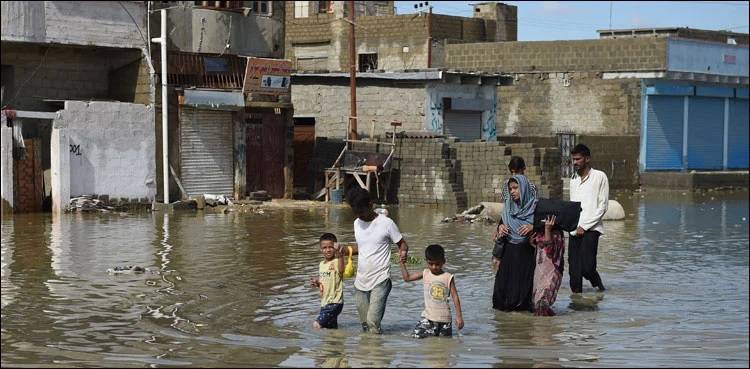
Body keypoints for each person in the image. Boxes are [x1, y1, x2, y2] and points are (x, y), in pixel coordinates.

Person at [346, 187, 409, 334]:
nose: (359, 216)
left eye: (361, 211)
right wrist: (345, 250)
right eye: (355, 212)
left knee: (372, 323)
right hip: (361, 281)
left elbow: (402, 244)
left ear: (370, 205)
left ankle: (377, 355)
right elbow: (364, 247)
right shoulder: (356, 223)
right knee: (364, 325)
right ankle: (366, 355)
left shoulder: (386, 223)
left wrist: (403, 253)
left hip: (381, 280)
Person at [492, 175, 537, 312]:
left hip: (527, 253)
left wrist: (533, 227)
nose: (512, 191)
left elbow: (550, 227)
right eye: (510, 188)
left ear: (523, 188)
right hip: (509, 252)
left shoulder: (535, 207)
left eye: (516, 188)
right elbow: (499, 229)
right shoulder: (508, 207)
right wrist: (501, 228)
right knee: (503, 292)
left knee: (523, 289)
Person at [400, 244, 464, 338]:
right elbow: (407, 278)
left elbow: (455, 297)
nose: (434, 267)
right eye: (431, 264)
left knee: (443, 346)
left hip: (445, 320)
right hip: (428, 318)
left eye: (437, 264)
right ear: (426, 262)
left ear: (444, 261)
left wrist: (459, 317)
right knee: (415, 337)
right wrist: (402, 263)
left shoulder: (448, 277)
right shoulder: (425, 273)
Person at [569, 144, 609, 293]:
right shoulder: (573, 179)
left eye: (578, 159)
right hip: (574, 230)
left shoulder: (600, 176)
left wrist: (584, 226)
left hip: (591, 230)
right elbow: (572, 206)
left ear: (587, 159)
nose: (575, 162)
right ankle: (577, 309)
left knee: (587, 268)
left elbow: (602, 206)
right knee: (574, 276)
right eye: (573, 159)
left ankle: (598, 285)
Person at [493, 156, 537, 271]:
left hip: (525, 233)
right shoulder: (506, 186)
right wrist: (499, 227)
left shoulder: (530, 187)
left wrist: (532, 226)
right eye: (512, 172)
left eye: (517, 171)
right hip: (510, 232)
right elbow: (506, 209)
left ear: (524, 169)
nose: (515, 175)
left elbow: (533, 209)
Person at [530, 215, 565, 316]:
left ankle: (545, 329)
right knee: (537, 304)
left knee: (542, 304)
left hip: (551, 273)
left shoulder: (557, 234)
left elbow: (550, 251)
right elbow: (539, 249)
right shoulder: (538, 232)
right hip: (540, 273)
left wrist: (547, 230)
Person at [310, 233, 345, 329]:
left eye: (330, 247)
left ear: (335, 247)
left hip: (334, 303)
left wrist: (341, 255)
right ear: (320, 249)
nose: (328, 250)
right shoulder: (321, 264)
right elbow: (324, 282)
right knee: (331, 329)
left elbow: (342, 271)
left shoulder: (337, 261)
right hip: (325, 303)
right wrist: (317, 283)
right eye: (324, 247)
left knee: (316, 325)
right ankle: (335, 342)